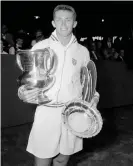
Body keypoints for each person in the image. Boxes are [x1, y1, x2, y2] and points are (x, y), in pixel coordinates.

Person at [18, 4, 100, 166]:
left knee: (62, 160)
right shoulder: (40, 47)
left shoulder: (83, 51)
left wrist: (93, 100)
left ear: (75, 23)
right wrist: (22, 92)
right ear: (53, 23)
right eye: (59, 20)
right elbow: (28, 82)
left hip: (72, 114)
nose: (63, 24)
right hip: (47, 112)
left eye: (68, 20)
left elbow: (88, 84)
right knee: (42, 160)